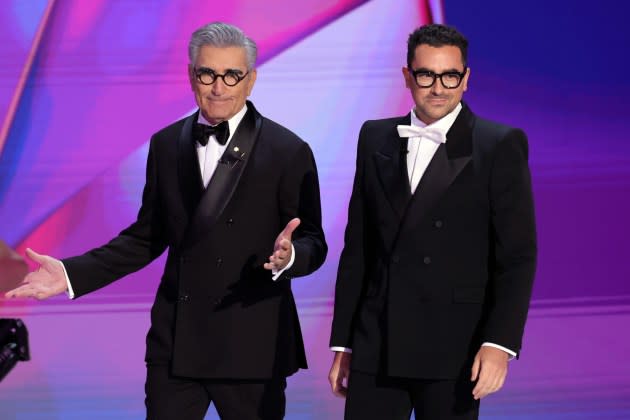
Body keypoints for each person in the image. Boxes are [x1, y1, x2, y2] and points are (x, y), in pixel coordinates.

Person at [6, 22, 327, 420]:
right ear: (192, 75)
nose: (219, 87)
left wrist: (291, 257)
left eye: (232, 75)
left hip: (251, 344)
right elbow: (147, 237)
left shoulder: (288, 150)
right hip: (177, 342)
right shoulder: (165, 145)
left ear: (251, 79)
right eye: (208, 73)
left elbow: (314, 239)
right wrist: (71, 275)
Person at [328, 24, 536, 419]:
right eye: (426, 75)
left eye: (450, 76)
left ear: (466, 79)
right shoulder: (374, 137)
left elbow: (517, 257)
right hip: (378, 342)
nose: (438, 87)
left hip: (454, 347)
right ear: (408, 76)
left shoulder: (498, 145)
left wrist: (499, 343)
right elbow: (358, 247)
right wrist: (345, 343)